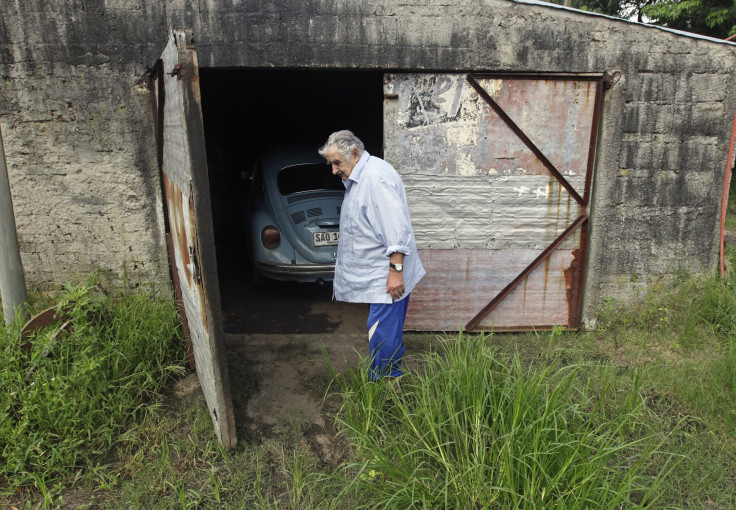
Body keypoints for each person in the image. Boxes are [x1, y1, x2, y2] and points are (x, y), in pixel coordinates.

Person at [319, 130, 426, 380]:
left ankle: (385, 387)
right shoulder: (363, 174)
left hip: (386, 275)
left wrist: (395, 273)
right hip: (382, 273)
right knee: (384, 331)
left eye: (337, 163)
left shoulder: (374, 178)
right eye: (331, 164)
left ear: (354, 154)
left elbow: (396, 230)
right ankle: (389, 381)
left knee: (382, 333)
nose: (333, 170)